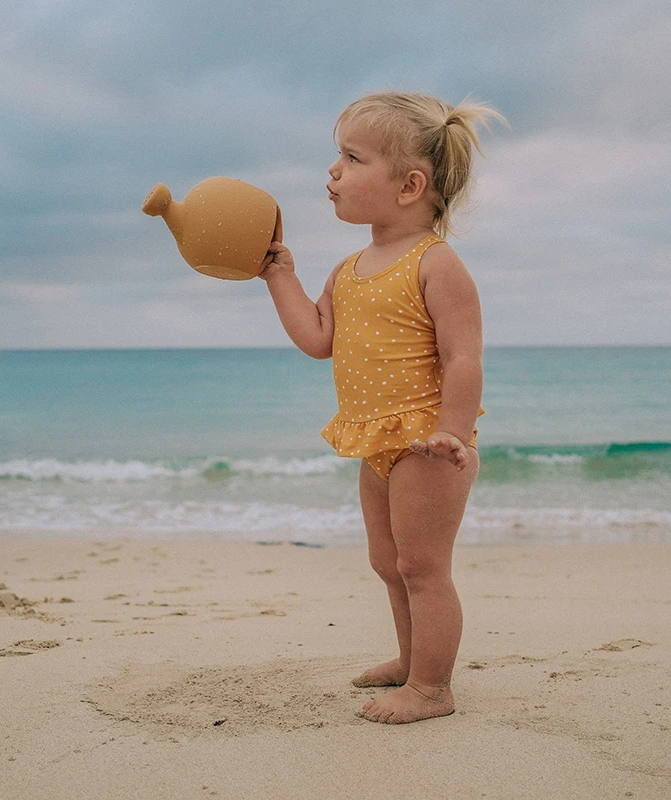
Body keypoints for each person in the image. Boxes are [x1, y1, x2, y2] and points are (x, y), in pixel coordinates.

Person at [259, 92, 504, 725]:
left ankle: (432, 688)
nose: (333, 171)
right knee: (388, 563)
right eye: (335, 156)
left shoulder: (436, 264)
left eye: (351, 157)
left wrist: (454, 431)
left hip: (428, 443)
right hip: (376, 442)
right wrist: (279, 276)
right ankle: (410, 659)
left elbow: (463, 358)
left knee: (423, 567)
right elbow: (318, 339)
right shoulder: (348, 269)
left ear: (409, 186)